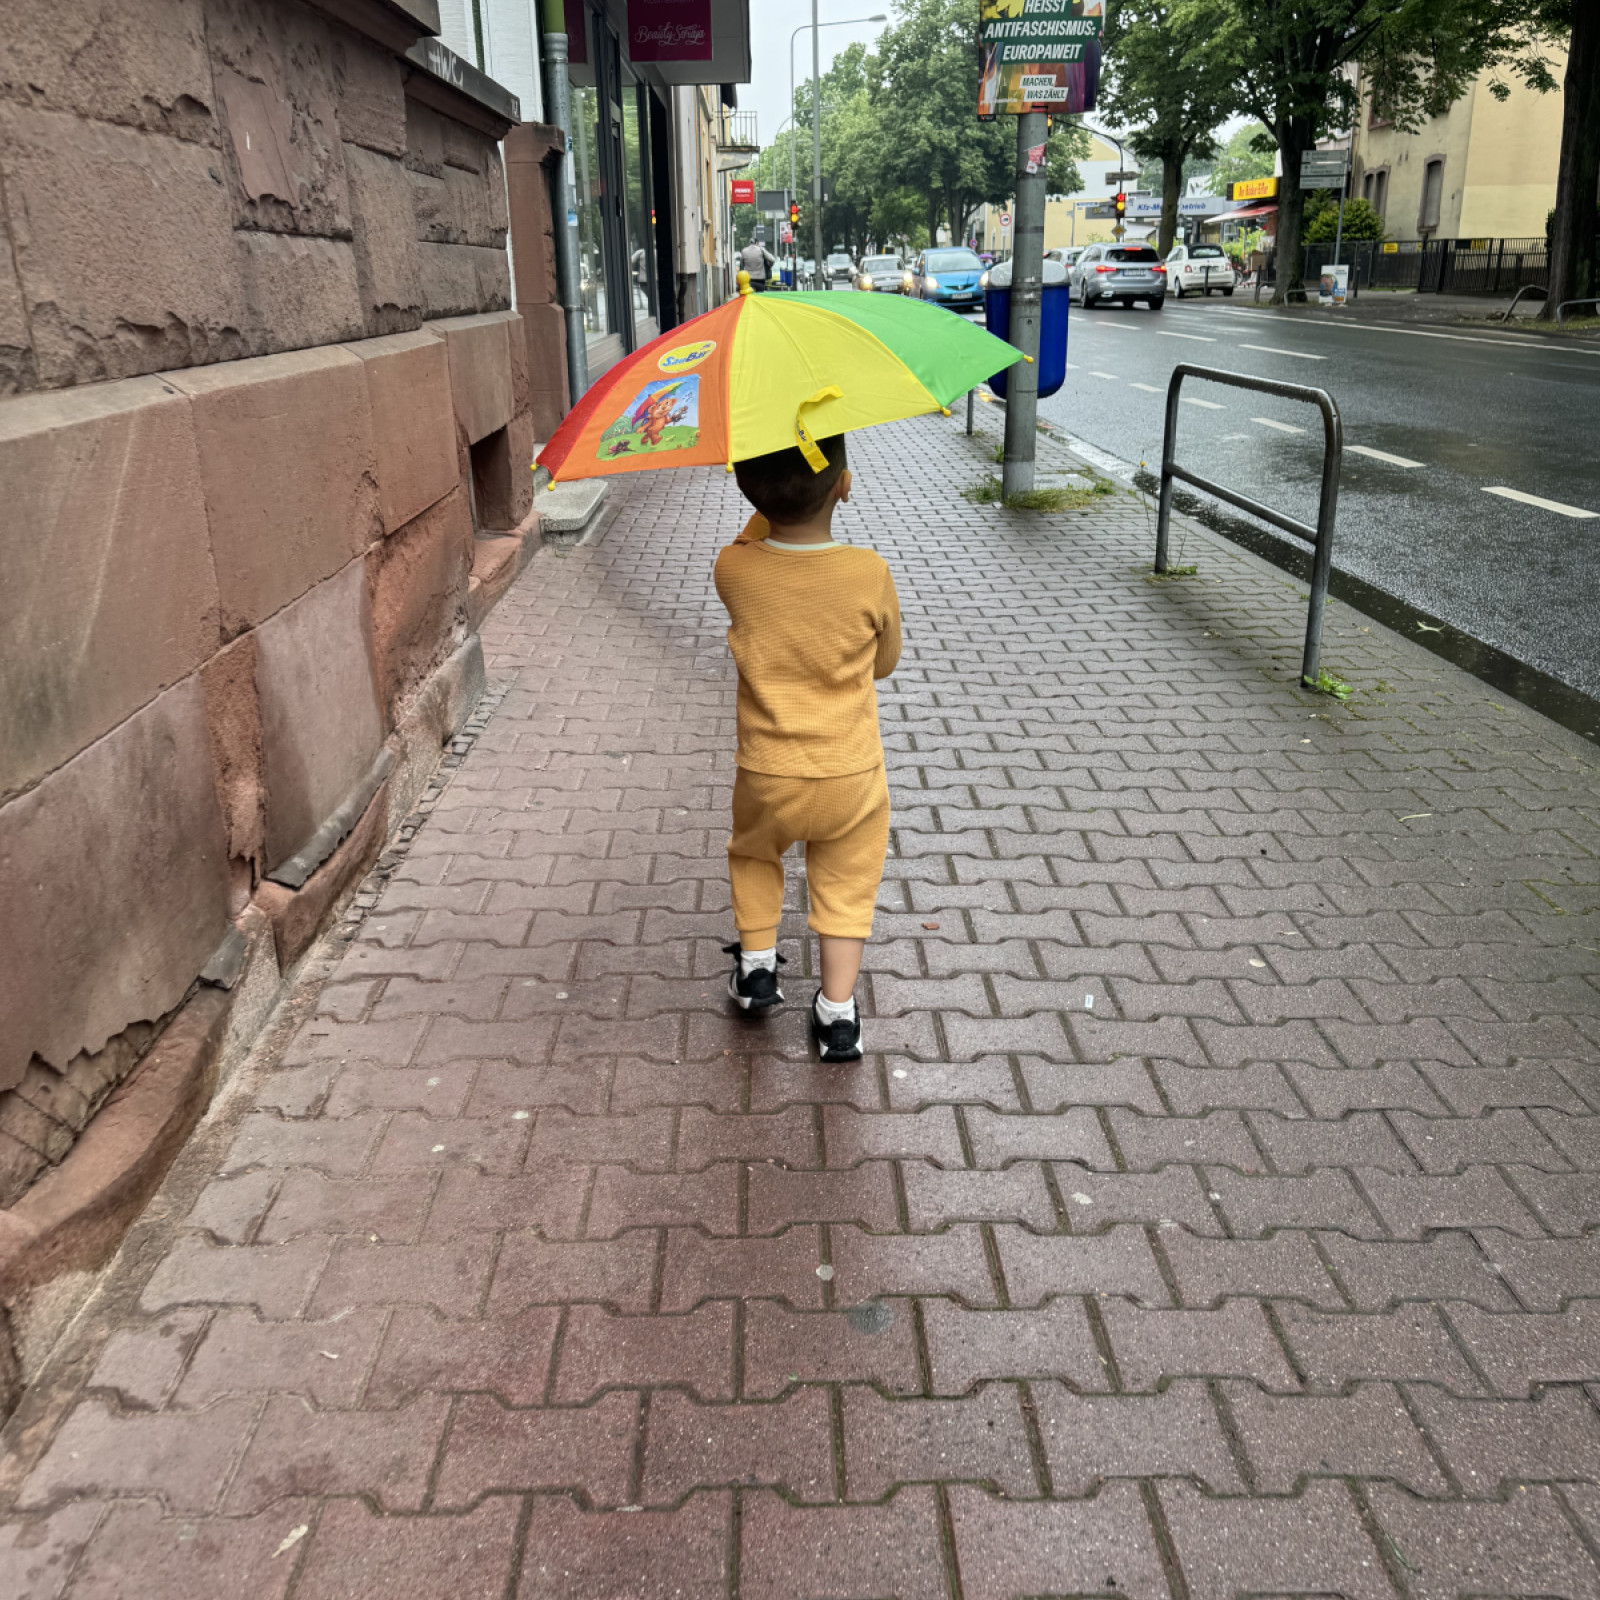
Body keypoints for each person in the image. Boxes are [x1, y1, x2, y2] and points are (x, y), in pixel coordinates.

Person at [713, 434, 901, 1061]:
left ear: (750, 494)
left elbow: (751, 541)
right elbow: (885, 664)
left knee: (754, 852)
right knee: (846, 884)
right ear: (842, 487)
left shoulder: (734, 569)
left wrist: (761, 506)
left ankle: (756, 969)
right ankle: (837, 1016)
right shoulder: (869, 572)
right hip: (850, 772)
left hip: (767, 770)